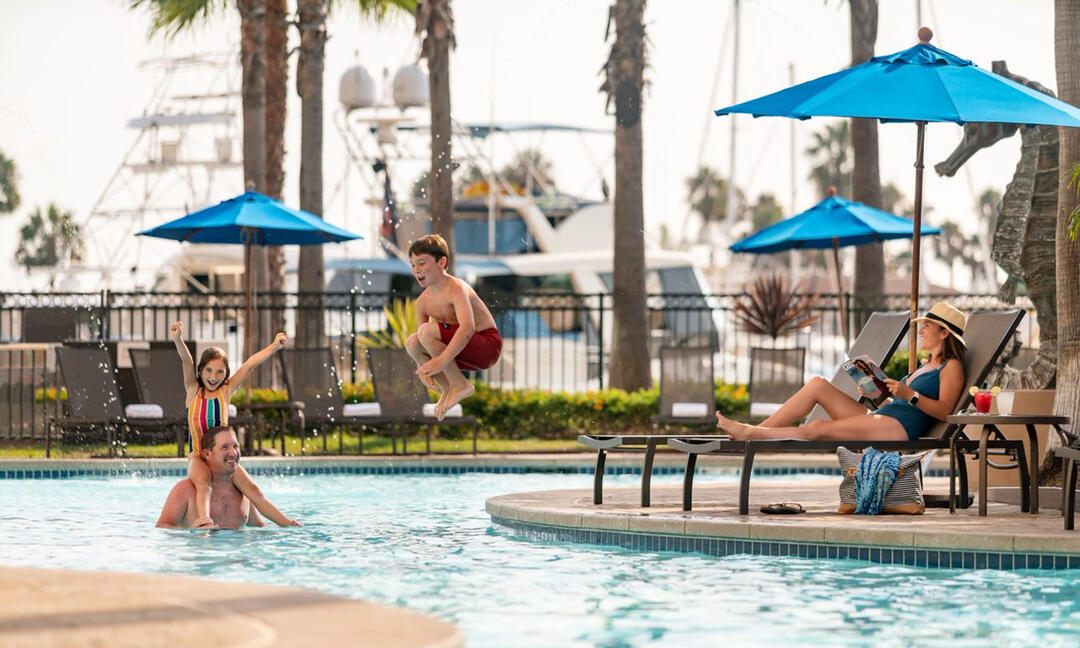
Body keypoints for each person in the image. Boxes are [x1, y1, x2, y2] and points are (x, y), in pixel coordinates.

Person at [716, 302, 967, 442]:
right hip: (887, 414)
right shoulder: (924, 365)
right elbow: (898, 402)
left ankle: (751, 434)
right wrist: (876, 393)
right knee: (817, 385)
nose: (920, 330)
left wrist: (909, 394)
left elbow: (945, 411)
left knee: (818, 428)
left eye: (927, 326)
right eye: (921, 325)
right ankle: (758, 431)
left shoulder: (951, 366)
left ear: (944, 332)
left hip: (901, 427)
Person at [170, 321, 299, 528]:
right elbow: (187, 360)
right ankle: (204, 520)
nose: (214, 377)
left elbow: (250, 364)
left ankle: (287, 523)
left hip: (224, 459)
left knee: (253, 491)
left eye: (220, 372)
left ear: (226, 374)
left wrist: (274, 346)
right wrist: (177, 339)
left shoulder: (225, 392)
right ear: (201, 371)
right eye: (209, 371)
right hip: (198, 456)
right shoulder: (193, 391)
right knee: (203, 484)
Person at [404, 234, 502, 420]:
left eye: (422, 263)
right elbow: (422, 344)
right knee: (412, 341)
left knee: (426, 331)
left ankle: (460, 385)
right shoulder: (422, 303)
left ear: (441, 262)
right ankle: (448, 387)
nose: (416, 269)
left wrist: (440, 362)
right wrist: (423, 367)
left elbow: (467, 328)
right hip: (461, 352)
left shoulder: (456, 288)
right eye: (412, 264)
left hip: (487, 346)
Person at [156, 426, 288, 529]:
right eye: (225, 447)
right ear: (207, 454)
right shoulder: (185, 489)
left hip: (237, 561)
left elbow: (259, 528)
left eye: (235, 446)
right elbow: (162, 527)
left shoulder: (243, 493)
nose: (233, 453)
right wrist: (191, 531)